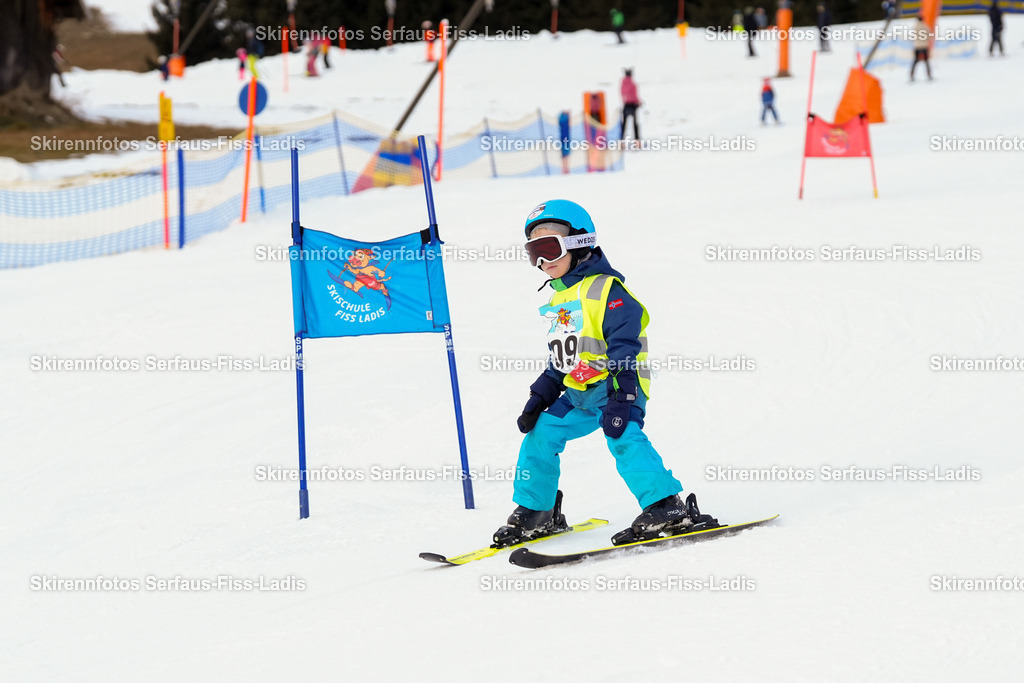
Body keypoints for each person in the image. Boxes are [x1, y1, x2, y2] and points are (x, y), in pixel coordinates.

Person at [493, 200, 702, 548]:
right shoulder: (559, 299)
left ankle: (665, 505)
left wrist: (622, 397)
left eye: (548, 248)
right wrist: (539, 396)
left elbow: (624, 347)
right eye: (534, 252)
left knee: (623, 438)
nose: (542, 262)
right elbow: (562, 356)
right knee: (540, 434)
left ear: (579, 242)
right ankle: (537, 511)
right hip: (578, 393)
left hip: (616, 388)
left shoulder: (607, 290)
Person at [619, 69, 641, 145]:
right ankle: (637, 140)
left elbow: (622, 94)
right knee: (635, 123)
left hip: (625, 104)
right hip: (632, 105)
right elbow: (635, 95)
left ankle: (621, 139)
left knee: (624, 124)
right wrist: (638, 102)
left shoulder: (622, 84)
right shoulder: (633, 84)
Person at [910, 14, 932, 81]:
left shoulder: (915, 27)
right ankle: (929, 75)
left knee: (915, 62)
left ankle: (912, 75)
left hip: (917, 46)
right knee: (926, 62)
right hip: (924, 46)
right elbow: (929, 35)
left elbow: (911, 37)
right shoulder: (925, 27)